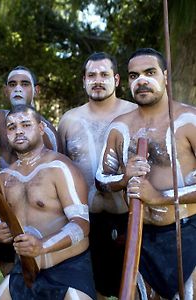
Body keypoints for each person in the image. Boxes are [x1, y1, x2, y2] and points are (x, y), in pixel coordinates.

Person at [96, 47, 196, 299]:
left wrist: (159, 197)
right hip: (141, 237)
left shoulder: (189, 121)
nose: (141, 80)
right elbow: (101, 179)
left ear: (165, 75)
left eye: (149, 72)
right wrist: (124, 178)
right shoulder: (119, 128)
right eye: (133, 75)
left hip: (188, 234)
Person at [0, 104, 96, 299]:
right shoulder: (4, 177)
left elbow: (81, 226)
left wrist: (43, 246)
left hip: (68, 270)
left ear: (40, 128)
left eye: (25, 124)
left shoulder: (60, 167)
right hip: (25, 270)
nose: (19, 130)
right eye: (12, 127)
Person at [58, 52, 136, 298]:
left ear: (117, 79)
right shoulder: (69, 120)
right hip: (86, 221)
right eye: (91, 75)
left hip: (129, 217)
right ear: (83, 80)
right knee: (93, 289)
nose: (97, 80)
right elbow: (61, 168)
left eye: (104, 75)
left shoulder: (135, 114)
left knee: (132, 288)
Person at [0, 63, 61, 170]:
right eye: (12, 84)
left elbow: (58, 169)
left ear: (36, 91)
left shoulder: (46, 131)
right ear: (5, 91)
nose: (18, 89)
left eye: (24, 84)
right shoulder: (0, 118)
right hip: (3, 185)